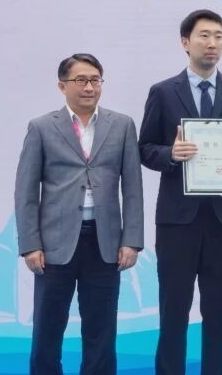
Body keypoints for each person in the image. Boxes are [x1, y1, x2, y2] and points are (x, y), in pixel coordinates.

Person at [139, 9, 222, 375]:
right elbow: (144, 148)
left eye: (218, 36)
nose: (212, 43)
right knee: (173, 311)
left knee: (219, 311)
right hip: (177, 220)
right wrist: (171, 154)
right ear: (185, 42)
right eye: (204, 36)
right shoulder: (163, 92)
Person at [15, 53, 144, 375]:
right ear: (63, 86)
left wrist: (131, 241)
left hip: (104, 242)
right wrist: (31, 245)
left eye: (95, 80)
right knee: (48, 328)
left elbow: (133, 188)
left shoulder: (122, 125)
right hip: (54, 244)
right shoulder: (42, 127)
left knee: (101, 330)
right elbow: (26, 192)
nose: (89, 87)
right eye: (81, 80)